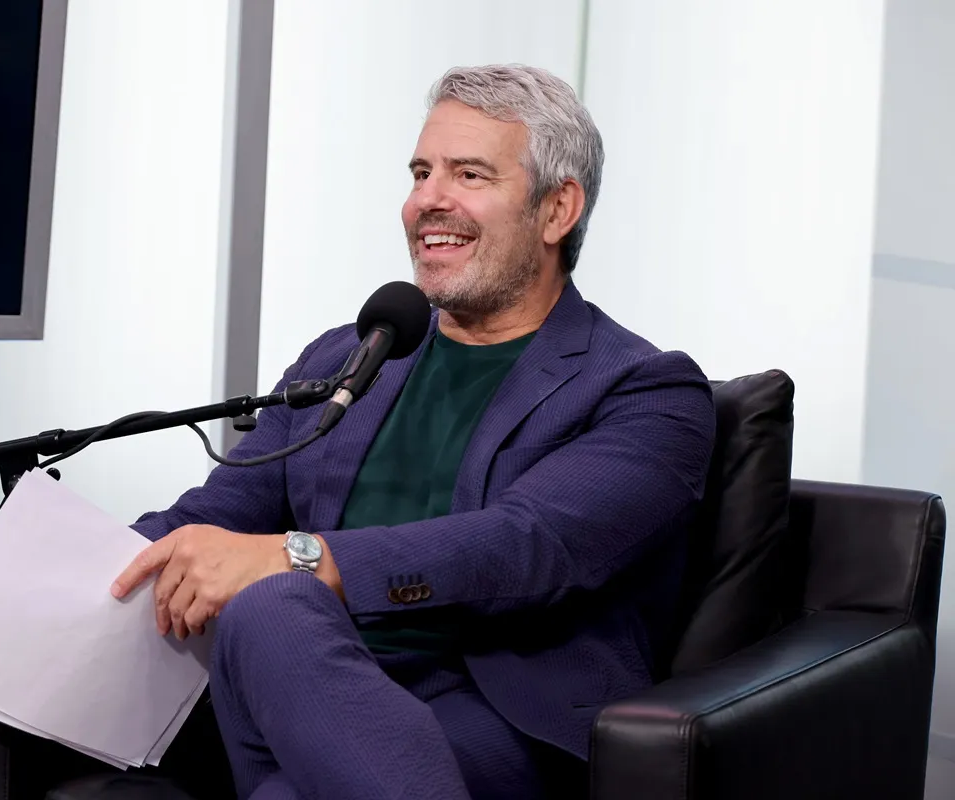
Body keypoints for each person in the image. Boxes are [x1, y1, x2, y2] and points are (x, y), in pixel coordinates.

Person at [111, 64, 716, 800]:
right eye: (422, 172)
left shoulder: (644, 389)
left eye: (468, 174)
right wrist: (76, 568)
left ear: (557, 211)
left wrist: (305, 558)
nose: (429, 199)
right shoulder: (350, 355)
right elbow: (217, 516)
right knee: (274, 611)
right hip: (301, 675)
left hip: (495, 712)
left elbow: (529, 546)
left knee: (276, 634)